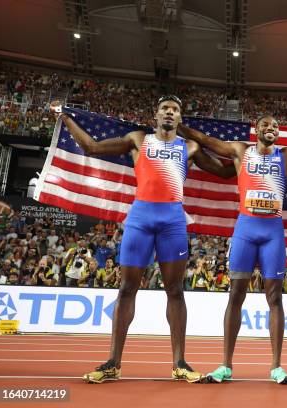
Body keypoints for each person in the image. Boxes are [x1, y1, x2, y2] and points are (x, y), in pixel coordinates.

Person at [50, 95, 236, 383]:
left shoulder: (190, 146)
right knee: (126, 289)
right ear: (156, 115)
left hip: (173, 221)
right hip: (140, 219)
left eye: (175, 110)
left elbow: (225, 172)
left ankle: (180, 364)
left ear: (180, 118)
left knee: (175, 291)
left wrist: (249, 156)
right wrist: (65, 118)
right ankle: (113, 361)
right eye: (165, 109)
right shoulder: (139, 139)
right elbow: (91, 147)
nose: (170, 113)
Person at [178, 115, 287, 384]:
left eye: (275, 126)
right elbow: (205, 141)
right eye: (265, 125)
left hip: (273, 232)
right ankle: (225, 365)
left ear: (278, 133)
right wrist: (180, 127)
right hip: (245, 231)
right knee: (235, 295)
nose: (270, 129)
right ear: (257, 130)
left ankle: (276, 367)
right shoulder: (241, 151)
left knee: (275, 298)